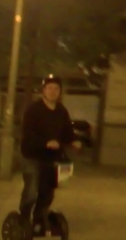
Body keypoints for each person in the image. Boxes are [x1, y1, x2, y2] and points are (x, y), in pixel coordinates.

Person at [19, 76, 81, 228]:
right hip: (32, 156)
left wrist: (74, 140)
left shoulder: (61, 110)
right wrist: (45, 143)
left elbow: (67, 131)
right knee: (32, 190)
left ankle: (39, 217)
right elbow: (28, 134)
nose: (53, 91)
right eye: (50, 88)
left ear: (60, 92)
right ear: (43, 91)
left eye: (56, 89)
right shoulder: (33, 110)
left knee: (48, 193)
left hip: (52, 158)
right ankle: (24, 218)